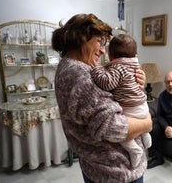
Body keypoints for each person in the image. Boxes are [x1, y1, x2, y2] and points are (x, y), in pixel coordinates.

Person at [52, 13, 152, 183]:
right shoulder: (81, 75)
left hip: (96, 165)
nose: (103, 50)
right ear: (82, 38)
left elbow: (98, 104)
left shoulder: (69, 67)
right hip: (116, 171)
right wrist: (147, 123)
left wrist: (132, 84)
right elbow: (114, 128)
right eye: (100, 41)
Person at [91, 34, 151, 168]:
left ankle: (135, 150)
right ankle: (146, 134)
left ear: (111, 56)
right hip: (142, 104)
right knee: (141, 123)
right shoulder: (135, 65)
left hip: (130, 108)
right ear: (135, 54)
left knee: (123, 135)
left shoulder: (118, 68)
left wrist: (97, 68)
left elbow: (107, 83)